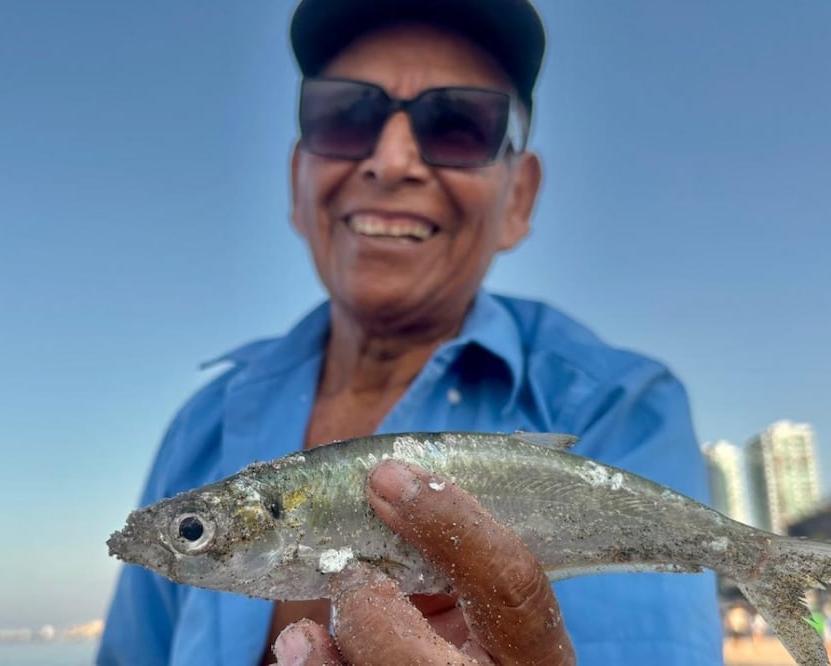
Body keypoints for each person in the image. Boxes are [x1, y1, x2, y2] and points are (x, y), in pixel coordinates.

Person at [97, 0, 722, 664]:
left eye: (456, 125)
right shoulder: (202, 423)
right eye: (345, 116)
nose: (392, 161)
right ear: (297, 179)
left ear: (518, 199)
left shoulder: (619, 406)